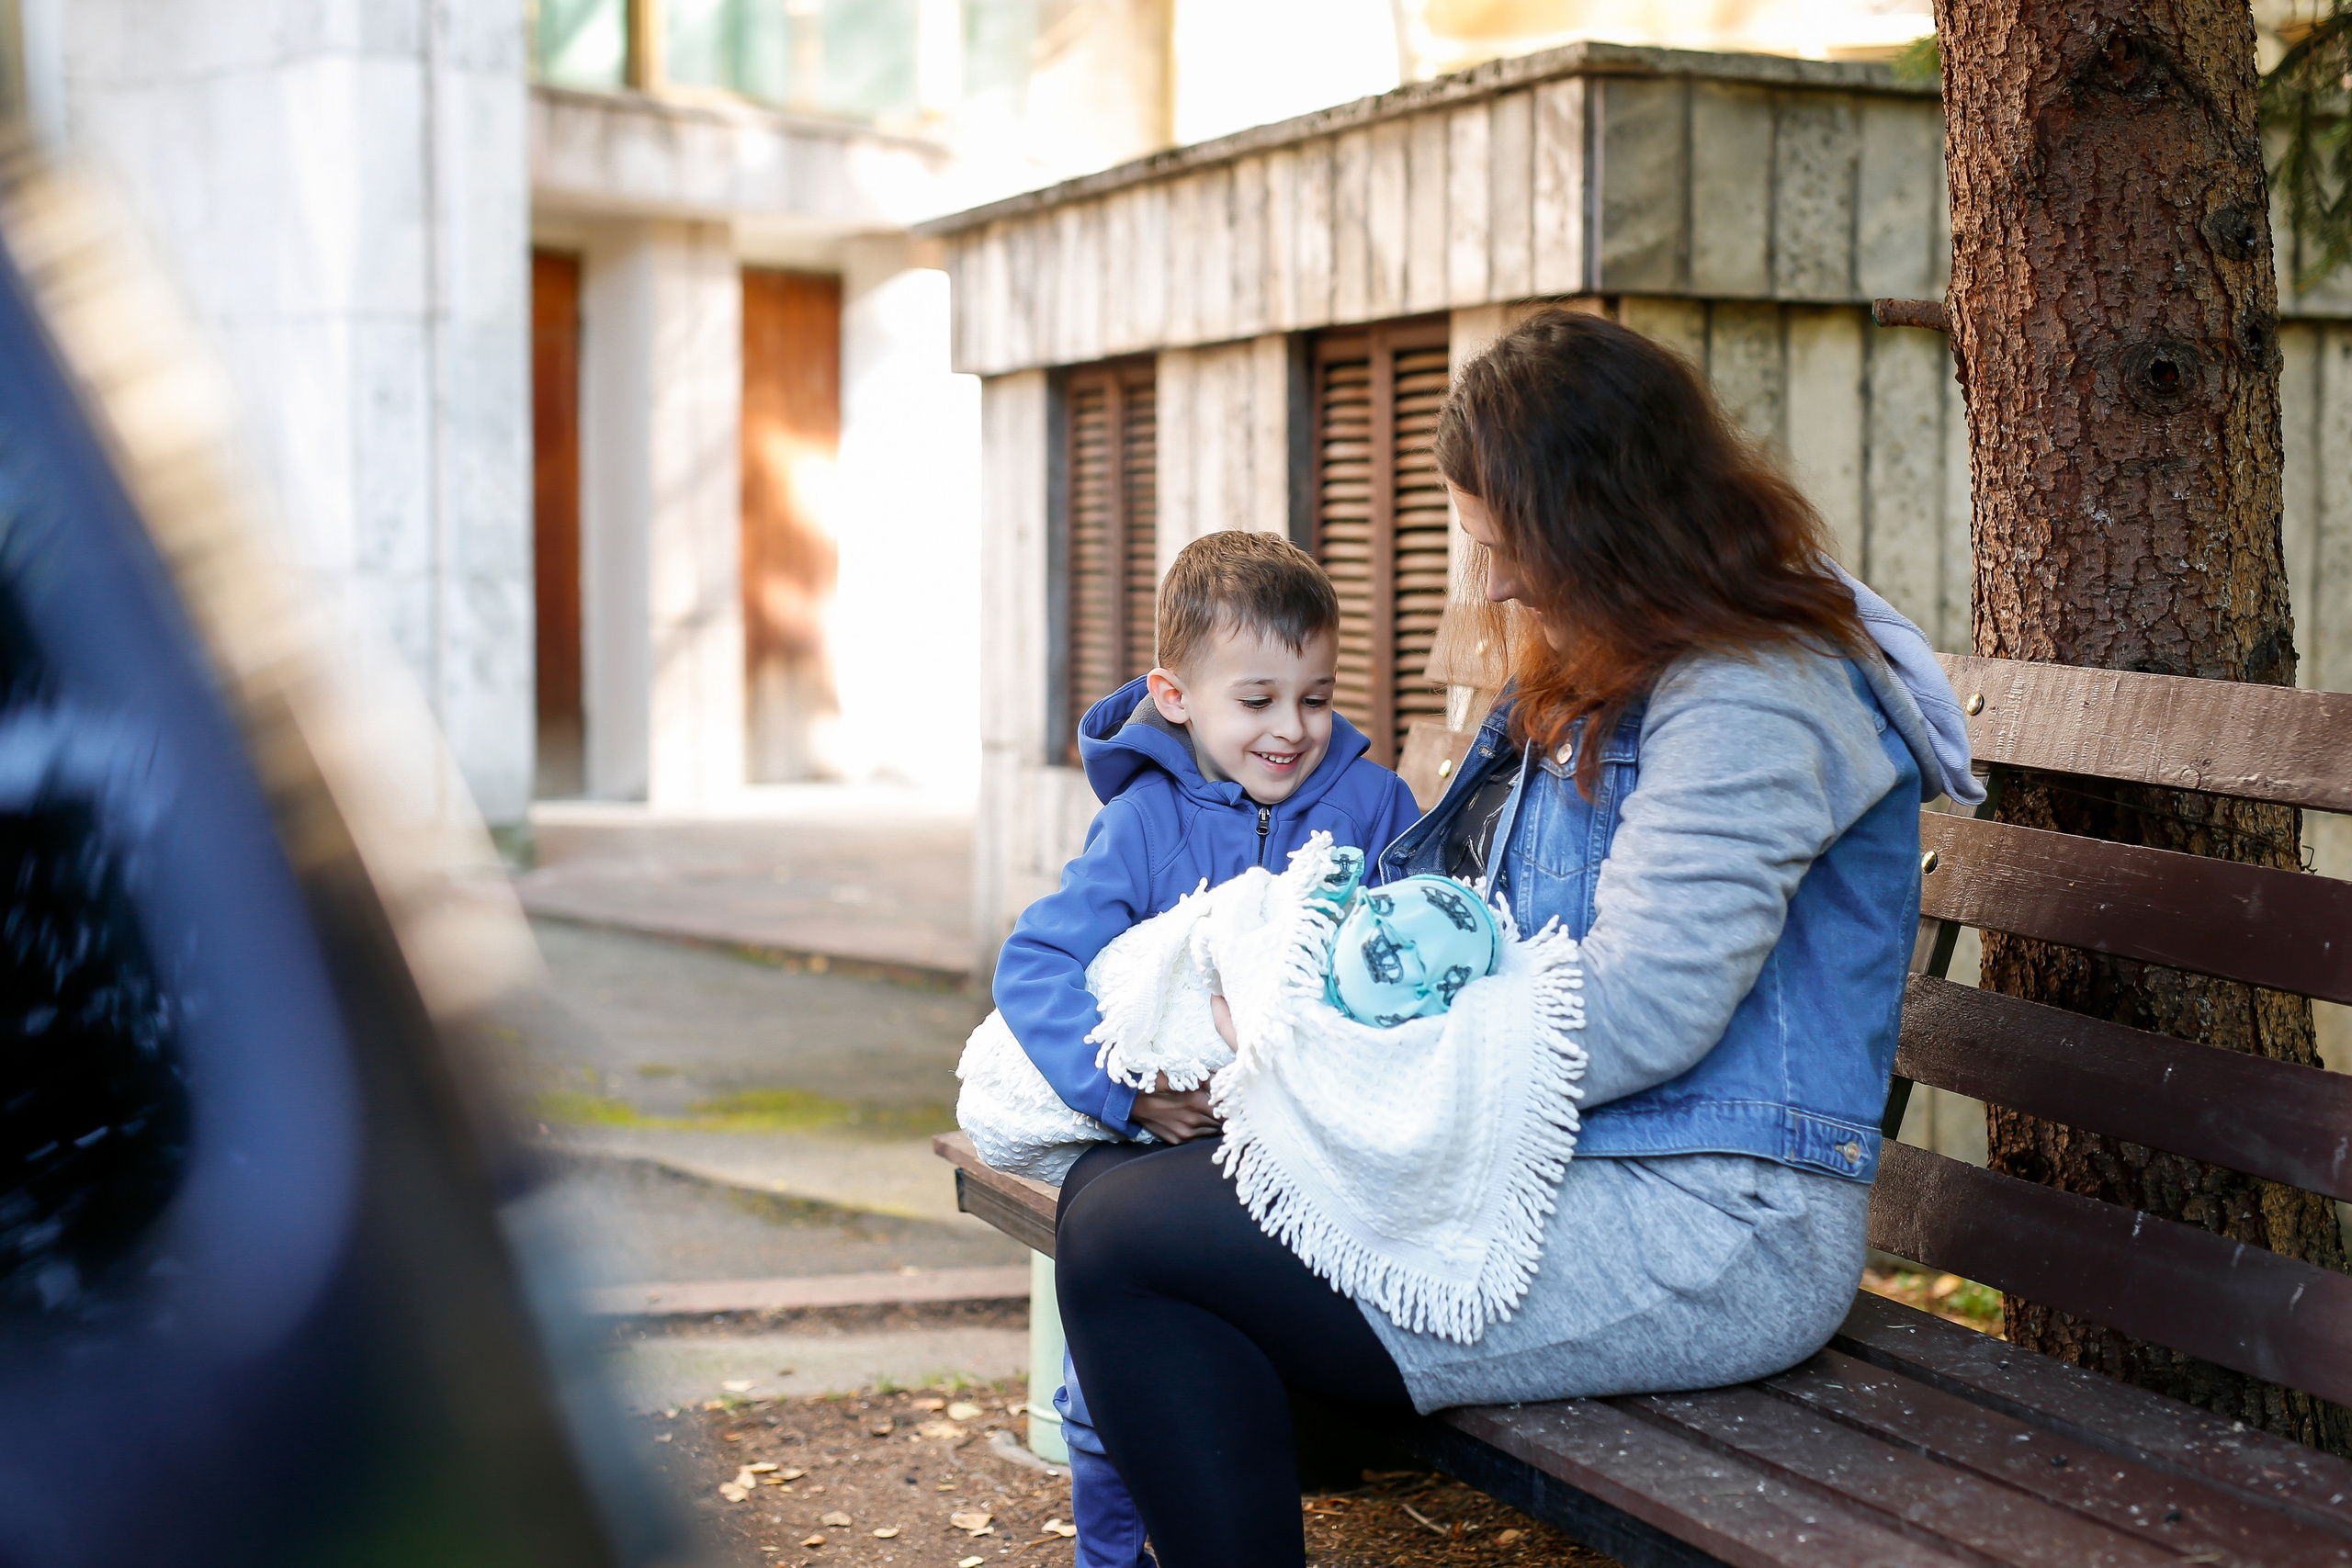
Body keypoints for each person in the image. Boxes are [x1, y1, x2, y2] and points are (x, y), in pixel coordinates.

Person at [1050, 307, 1983, 1568]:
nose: (1490, 584)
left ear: (1603, 524)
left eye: (1504, 545)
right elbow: (1456, 917)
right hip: (1581, 1161)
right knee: (1108, 1191)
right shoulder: (1618, 656)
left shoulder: (1758, 693)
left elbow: (1643, 1008)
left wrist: (1341, 1070)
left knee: (1134, 1247)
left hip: (1712, 1220)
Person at [992, 529, 1422, 1568]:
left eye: (1317, 698)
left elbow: (1415, 942)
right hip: (1167, 1140)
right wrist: (1125, 1094)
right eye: (1257, 699)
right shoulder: (1143, 822)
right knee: (1107, 1369)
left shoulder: (1373, 805)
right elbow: (1035, 962)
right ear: (1174, 695)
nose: (1292, 729)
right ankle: (1111, 1556)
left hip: (1317, 1140)